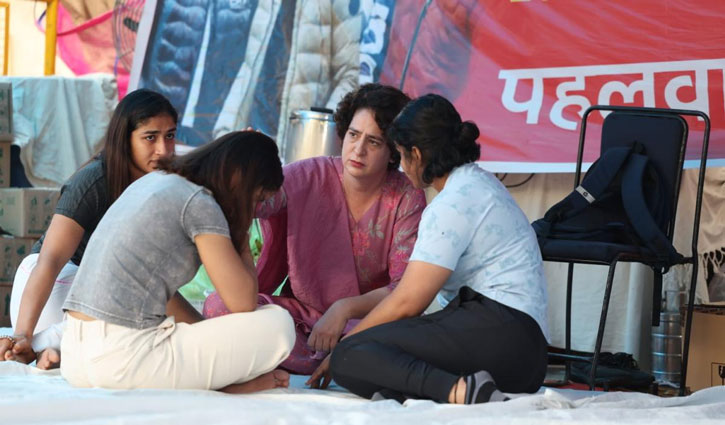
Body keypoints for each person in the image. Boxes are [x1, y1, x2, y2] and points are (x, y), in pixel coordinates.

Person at [315, 94, 549, 404]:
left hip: (502, 333)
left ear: (415, 153)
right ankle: (462, 389)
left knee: (351, 356)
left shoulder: (453, 201)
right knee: (374, 357)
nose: (401, 167)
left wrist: (346, 346)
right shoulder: (480, 184)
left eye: (399, 155)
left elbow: (408, 302)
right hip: (524, 356)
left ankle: (460, 392)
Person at [203, 83, 427, 374]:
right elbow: (261, 205)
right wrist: (246, 172)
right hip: (301, 319)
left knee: (394, 341)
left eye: (374, 142)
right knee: (218, 306)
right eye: (353, 135)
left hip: (366, 323)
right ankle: (330, 359)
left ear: (393, 151)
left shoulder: (407, 196)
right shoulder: (307, 175)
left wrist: (344, 308)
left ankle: (323, 356)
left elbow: (403, 288)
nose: (358, 149)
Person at [60, 131, 296, 392]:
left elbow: (164, 296)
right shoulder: (199, 202)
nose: (255, 211)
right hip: (123, 359)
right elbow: (242, 302)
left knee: (211, 331)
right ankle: (223, 387)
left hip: (75, 356)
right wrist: (240, 229)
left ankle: (214, 381)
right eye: (257, 200)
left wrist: (215, 346)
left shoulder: (155, 181)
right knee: (279, 324)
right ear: (242, 182)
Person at [0, 89, 177, 369]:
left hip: (90, 303)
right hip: (52, 289)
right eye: (150, 137)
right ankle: (36, 345)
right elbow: (51, 260)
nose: (163, 150)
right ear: (124, 139)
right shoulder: (94, 182)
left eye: (170, 135)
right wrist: (23, 333)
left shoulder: (166, 180)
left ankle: (57, 352)